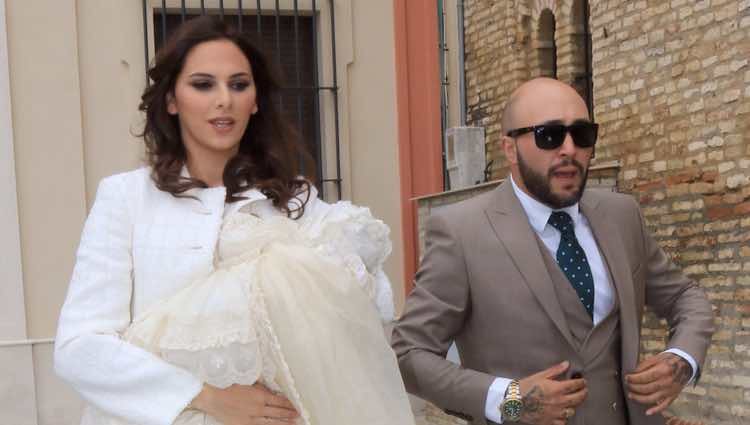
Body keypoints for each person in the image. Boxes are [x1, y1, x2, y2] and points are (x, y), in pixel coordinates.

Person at [55, 16, 414, 425]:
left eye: (239, 84)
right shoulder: (127, 198)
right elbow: (80, 347)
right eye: (203, 84)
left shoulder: (295, 201)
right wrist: (204, 396)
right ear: (172, 99)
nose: (223, 99)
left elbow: (358, 312)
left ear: (255, 101)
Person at [391, 78, 714, 425]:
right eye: (550, 135)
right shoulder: (461, 232)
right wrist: (509, 401)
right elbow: (409, 354)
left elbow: (684, 295)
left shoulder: (622, 215)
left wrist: (682, 359)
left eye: (582, 135)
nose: (569, 149)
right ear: (510, 148)